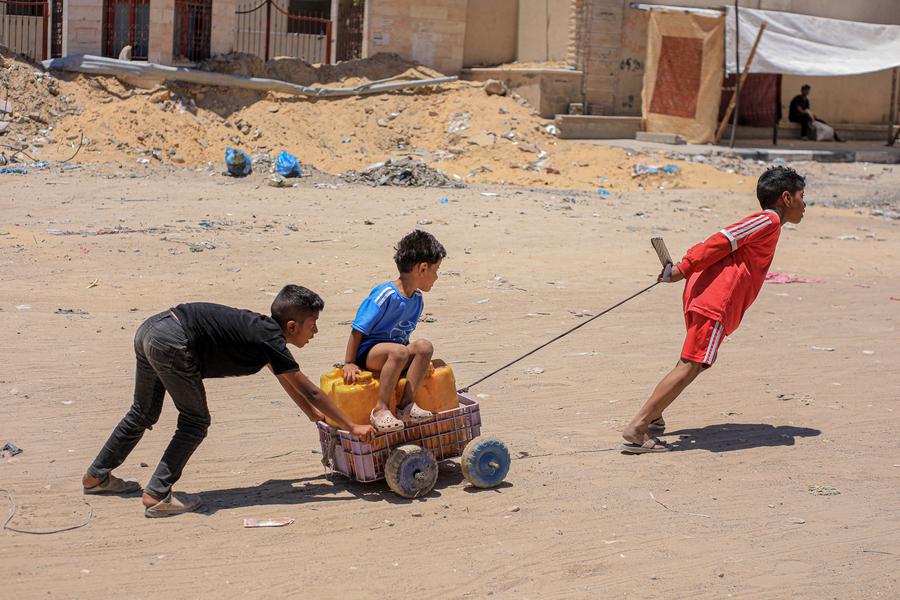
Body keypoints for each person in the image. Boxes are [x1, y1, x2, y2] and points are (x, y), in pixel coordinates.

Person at [82, 285, 375, 517]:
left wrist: (311, 414)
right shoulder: (270, 339)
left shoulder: (264, 334)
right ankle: (157, 494)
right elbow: (311, 389)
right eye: (313, 324)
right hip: (172, 339)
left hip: (152, 329)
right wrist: (352, 426)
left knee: (143, 412)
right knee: (195, 422)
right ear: (292, 325)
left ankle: (97, 476)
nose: (316, 332)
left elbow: (282, 376)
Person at [622, 166, 807, 453]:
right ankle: (638, 426)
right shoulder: (768, 220)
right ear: (786, 198)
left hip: (712, 298)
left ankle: (654, 413)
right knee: (692, 363)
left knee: (697, 361)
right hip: (716, 300)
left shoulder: (770, 225)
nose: (804, 205)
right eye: (801, 197)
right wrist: (682, 268)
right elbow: (723, 238)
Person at [341, 230, 446, 433]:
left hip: (398, 353)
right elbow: (358, 328)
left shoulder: (417, 300)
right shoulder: (386, 294)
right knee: (399, 351)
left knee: (424, 346)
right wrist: (349, 362)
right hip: (370, 353)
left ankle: (406, 405)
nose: (436, 277)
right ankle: (380, 409)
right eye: (436, 270)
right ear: (423, 268)